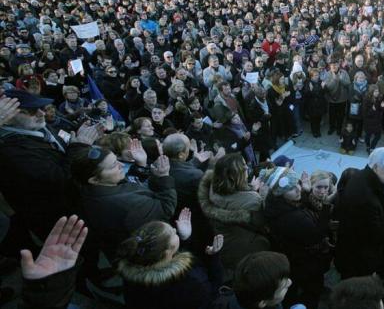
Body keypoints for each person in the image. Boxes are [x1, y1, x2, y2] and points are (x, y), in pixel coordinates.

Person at [0, 88, 100, 239]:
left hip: (77, 206)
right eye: (30, 111)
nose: (41, 113)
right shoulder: (10, 150)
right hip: (58, 221)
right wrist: (79, 146)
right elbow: (59, 179)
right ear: (7, 118)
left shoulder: (42, 127)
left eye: (41, 108)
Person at [70, 146, 177, 258]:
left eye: (116, 160)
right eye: (113, 166)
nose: (121, 165)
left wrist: (140, 166)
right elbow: (166, 208)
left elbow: (124, 184)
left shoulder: (89, 189)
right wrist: (164, 177)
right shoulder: (129, 205)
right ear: (94, 179)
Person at [117, 216, 225, 309]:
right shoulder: (191, 280)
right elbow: (213, 289)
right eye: (173, 233)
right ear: (167, 252)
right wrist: (213, 257)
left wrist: (185, 239)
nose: (174, 228)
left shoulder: (132, 266)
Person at [262, 166, 331, 308]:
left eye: (298, 184)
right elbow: (317, 235)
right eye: (292, 188)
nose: (298, 189)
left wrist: (305, 193)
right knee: (311, 291)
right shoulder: (293, 218)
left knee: (294, 288)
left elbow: (298, 206)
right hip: (304, 261)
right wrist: (325, 207)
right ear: (281, 193)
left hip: (290, 257)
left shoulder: (275, 203)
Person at [197, 153, 271, 276]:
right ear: (233, 177)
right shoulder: (253, 200)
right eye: (243, 167)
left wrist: (250, 189)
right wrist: (261, 195)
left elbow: (232, 199)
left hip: (226, 243)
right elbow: (261, 223)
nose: (247, 167)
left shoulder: (213, 186)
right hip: (246, 247)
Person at [335, 147, 384, 279]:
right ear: (376, 167)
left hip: (349, 254)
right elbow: (378, 235)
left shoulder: (360, 176)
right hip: (358, 263)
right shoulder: (366, 198)